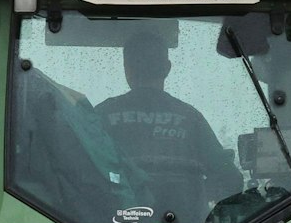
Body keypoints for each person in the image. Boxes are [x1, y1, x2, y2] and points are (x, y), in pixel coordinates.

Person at [95, 30, 236, 205]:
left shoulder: (100, 117)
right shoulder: (191, 119)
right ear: (167, 68)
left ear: (127, 68)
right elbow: (231, 179)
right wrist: (191, 198)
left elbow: (75, 174)